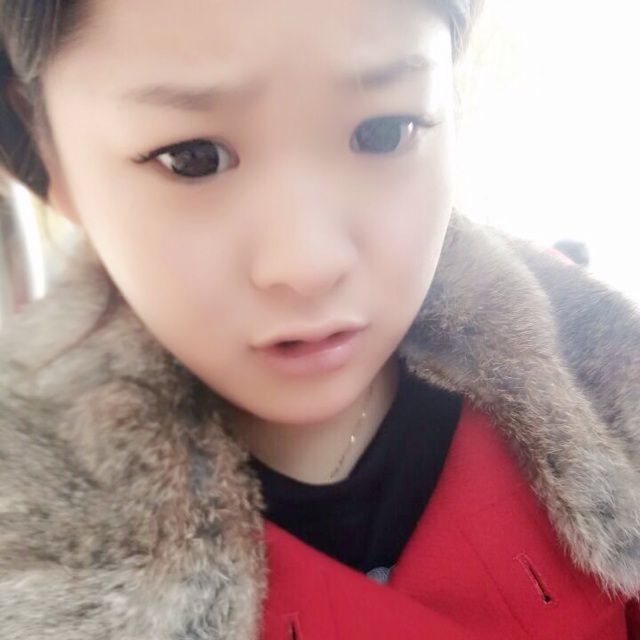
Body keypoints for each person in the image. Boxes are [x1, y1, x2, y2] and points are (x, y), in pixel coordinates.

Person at [1, 1, 639, 638]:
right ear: (46, 146)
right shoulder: (25, 551)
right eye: (193, 158)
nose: (307, 264)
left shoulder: (605, 375)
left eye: (384, 131)